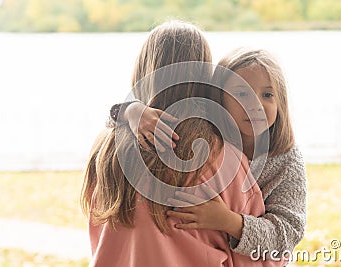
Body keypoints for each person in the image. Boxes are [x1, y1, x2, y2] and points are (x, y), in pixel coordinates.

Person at [82, 21, 280, 267]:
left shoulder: (105, 150)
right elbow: (260, 257)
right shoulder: (218, 155)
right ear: (203, 76)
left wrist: (128, 112)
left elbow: (98, 236)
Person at [112, 47, 307, 262]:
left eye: (267, 95)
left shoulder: (287, 159)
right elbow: (114, 122)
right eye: (242, 94)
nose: (256, 104)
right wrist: (132, 111)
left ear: (281, 102)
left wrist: (228, 221)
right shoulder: (207, 133)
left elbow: (289, 233)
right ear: (218, 98)